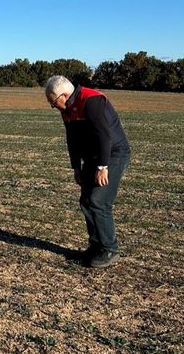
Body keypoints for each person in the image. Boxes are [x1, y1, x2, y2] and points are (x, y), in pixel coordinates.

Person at [44, 75, 130, 268]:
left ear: (63, 96)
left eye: (53, 103)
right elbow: (72, 140)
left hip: (113, 154)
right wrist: (76, 167)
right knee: (86, 201)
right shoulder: (67, 110)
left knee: (98, 200)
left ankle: (109, 249)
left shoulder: (91, 100)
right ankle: (96, 247)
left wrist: (102, 167)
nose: (54, 107)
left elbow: (104, 136)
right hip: (92, 157)